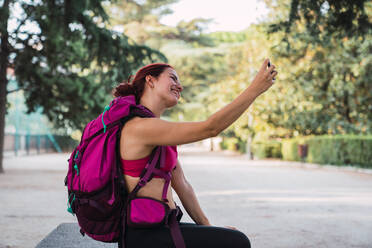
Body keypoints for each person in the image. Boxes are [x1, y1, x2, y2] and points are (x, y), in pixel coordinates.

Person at [113, 59, 277, 248]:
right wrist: (255, 89)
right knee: (238, 243)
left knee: (230, 238)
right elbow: (210, 128)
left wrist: (208, 228)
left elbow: (183, 185)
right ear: (150, 81)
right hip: (145, 235)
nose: (179, 86)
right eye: (173, 78)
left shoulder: (158, 132)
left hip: (163, 227)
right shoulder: (140, 127)